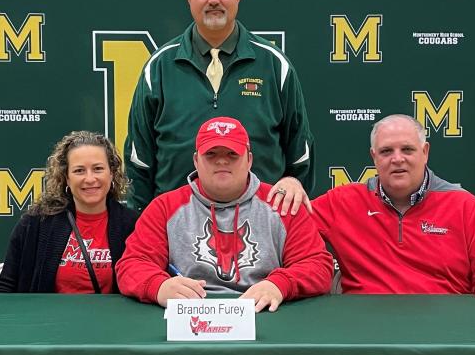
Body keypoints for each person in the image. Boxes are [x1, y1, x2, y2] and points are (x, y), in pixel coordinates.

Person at [123, 0, 314, 213]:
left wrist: (292, 186)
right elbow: (139, 160)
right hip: (177, 224)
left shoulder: (274, 64)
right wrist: (144, 225)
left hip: (262, 222)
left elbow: (300, 152)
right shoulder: (159, 67)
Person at [117, 116, 332, 311]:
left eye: (232, 154)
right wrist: (158, 285)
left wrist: (280, 284)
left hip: (263, 313)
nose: (222, 161)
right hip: (190, 316)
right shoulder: (165, 207)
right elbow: (132, 264)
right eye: (211, 154)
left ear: (249, 160)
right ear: (195, 160)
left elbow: (318, 266)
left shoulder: (280, 203)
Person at [311, 114, 475, 314]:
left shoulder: (465, 206)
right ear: (374, 157)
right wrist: (289, 185)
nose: (397, 159)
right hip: (365, 334)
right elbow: (286, 223)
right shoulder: (342, 202)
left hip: (443, 336)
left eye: (407, 149)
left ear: (425, 151)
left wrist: (474, 330)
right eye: (386, 151)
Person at [0, 130, 138, 294]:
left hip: (111, 319)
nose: (90, 179)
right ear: (66, 178)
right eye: (79, 171)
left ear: (111, 173)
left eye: (98, 168)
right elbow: (6, 286)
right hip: (46, 319)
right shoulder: (36, 222)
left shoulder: (132, 225)